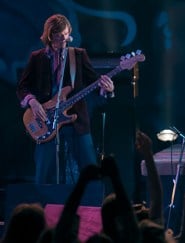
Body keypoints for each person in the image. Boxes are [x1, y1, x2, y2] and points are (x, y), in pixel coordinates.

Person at [16, 14, 115, 184]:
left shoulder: (78, 55)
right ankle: (42, 208)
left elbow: (95, 81)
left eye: (65, 35)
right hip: (46, 121)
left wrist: (108, 89)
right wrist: (33, 103)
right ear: (49, 35)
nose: (63, 39)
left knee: (90, 170)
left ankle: (92, 208)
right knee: (42, 174)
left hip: (76, 120)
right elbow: (22, 87)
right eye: (58, 36)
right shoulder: (37, 57)